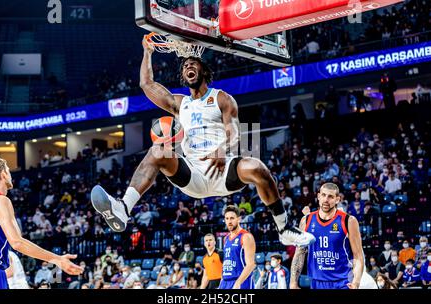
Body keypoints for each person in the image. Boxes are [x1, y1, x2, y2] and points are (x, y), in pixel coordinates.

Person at [90, 37, 315, 248]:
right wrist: (147, 51)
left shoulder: (222, 98)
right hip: (193, 175)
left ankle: (284, 228)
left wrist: (222, 148)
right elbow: (146, 83)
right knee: (158, 150)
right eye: (185, 65)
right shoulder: (180, 104)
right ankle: (123, 208)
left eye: (193, 63)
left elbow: (235, 133)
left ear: (203, 70)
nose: (188, 66)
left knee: (258, 167)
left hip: (223, 168)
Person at [0, 157, 82, 289]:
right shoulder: (0, 200)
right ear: (4, 174)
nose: (10, 175)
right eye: (8, 171)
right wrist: (57, 259)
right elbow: (17, 242)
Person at [290, 183, 364, 289]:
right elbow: (300, 253)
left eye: (330, 197)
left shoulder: (349, 221)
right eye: (323, 195)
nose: (326, 200)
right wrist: (293, 282)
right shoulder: (306, 220)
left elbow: (358, 256)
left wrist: (356, 282)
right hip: (316, 282)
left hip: (343, 282)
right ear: (319, 196)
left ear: (337, 199)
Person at [218, 205, 256, 289]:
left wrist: (238, 283)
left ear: (238, 219)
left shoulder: (246, 236)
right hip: (225, 282)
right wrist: (221, 281)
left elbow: (251, 264)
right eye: (227, 218)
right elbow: (226, 262)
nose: (229, 221)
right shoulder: (226, 238)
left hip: (241, 281)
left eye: (232, 218)